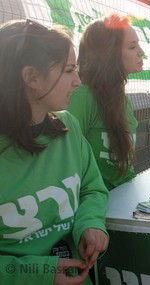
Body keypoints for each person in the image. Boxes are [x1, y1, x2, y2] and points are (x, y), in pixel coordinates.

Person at [0, 19, 109, 284]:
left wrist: (91, 224)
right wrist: (39, 273)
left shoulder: (68, 127)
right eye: (69, 70)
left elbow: (92, 189)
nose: (78, 82)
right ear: (31, 77)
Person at [67, 13, 144, 190]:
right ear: (108, 53)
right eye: (132, 47)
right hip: (97, 208)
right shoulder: (82, 97)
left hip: (125, 199)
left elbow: (125, 171)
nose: (142, 52)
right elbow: (64, 162)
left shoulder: (122, 99)